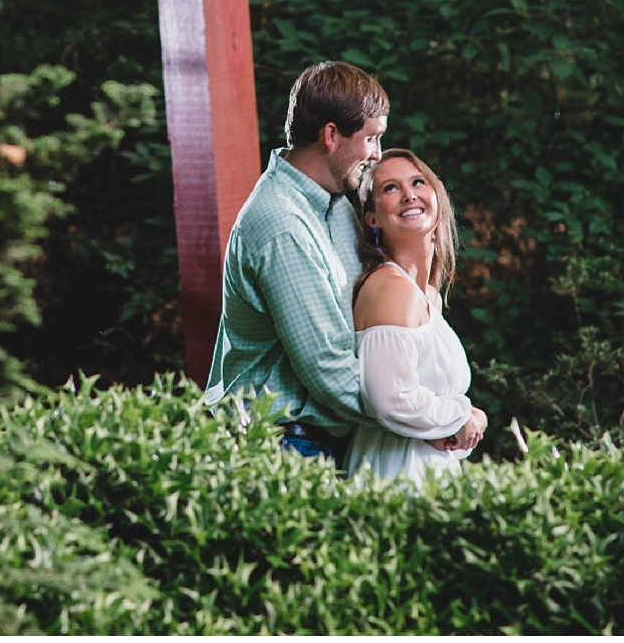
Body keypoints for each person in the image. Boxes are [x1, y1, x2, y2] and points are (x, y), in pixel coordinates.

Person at [202, 62, 389, 467]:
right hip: (283, 446)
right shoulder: (281, 224)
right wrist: (426, 416)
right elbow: (329, 370)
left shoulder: (336, 200)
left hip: (320, 440)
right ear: (331, 135)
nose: (376, 154)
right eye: (371, 139)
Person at [345, 148, 487, 484]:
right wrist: (461, 414)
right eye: (390, 188)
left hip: (429, 472)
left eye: (418, 182)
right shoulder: (391, 289)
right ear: (373, 218)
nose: (409, 195)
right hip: (395, 473)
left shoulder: (428, 296)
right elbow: (391, 399)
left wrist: (458, 425)